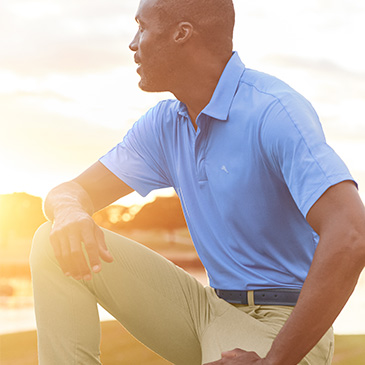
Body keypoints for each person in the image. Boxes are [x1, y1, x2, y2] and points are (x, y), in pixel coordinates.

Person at [30, 0, 365, 364]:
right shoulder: (164, 125)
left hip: (281, 323)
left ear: (181, 34)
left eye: (142, 27)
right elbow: (69, 191)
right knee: (52, 240)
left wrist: (274, 362)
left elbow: (351, 234)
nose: (132, 43)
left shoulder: (273, 111)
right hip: (207, 308)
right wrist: (69, 211)